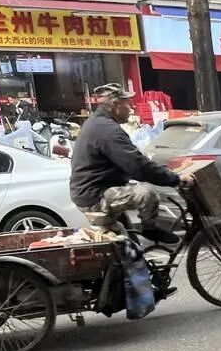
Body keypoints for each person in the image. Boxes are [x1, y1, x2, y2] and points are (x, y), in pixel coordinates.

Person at [69, 84, 192, 245]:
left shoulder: (97, 123)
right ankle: (150, 229)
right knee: (146, 193)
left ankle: (132, 253)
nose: (132, 107)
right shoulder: (107, 130)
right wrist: (175, 179)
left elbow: (132, 161)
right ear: (115, 105)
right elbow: (138, 166)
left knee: (129, 244)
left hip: (93, 190)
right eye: (128, 103)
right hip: (95, 195)